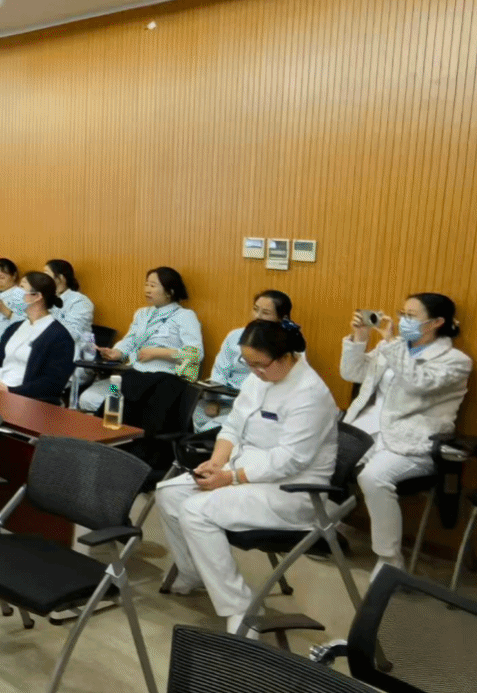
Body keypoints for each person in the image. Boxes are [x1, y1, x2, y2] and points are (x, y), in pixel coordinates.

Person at [155, 319, 337, 634]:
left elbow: (289, 460)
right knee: (168, 493)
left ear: (286, 357)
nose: (254, 371)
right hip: (243, 472)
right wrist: (216, 463)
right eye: (248, 363)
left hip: (290, 492)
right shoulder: (259, 378)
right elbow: (233, 425)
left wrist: (230, 477)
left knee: (195, 510)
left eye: (260, 364)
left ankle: (240, 608)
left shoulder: (310, 394)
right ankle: (195, 572)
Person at [342, 293, 472, 571]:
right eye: (402, 313)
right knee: (321, 456)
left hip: (414, 439)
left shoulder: (455, 361)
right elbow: (352, 373)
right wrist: (360, 338)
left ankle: (389, 561)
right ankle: (316, 529)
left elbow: (417, 384)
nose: (402, 321)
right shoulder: (393, 347)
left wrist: (392, 345)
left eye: (411, 316)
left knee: (374, 477)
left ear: (436, 322)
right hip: (369, 428)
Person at [80, 266, 203, 412]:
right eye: (146, 284)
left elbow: (196, 354)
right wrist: (117, 352)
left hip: (165, 377)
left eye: (153, 286)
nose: (147, 290)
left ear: (170, 291)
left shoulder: (185, 316)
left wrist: (158, 353)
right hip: (134, 372)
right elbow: (130, 340)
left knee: (131, 408)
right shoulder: (142, 313)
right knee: (104, 400)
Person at [198, 291, 297, 430]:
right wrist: (213, 400)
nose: (258, 316)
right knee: (198, 417)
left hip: (261, 406)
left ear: (282, 318)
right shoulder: (235, 335)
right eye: (256, 309)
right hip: (225, 398)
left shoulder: (290, 345)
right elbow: (220, 371)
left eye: (266, 313)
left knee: (220, 429)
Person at [0, 271, 77, 404]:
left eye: (22, 287)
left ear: (37, 296)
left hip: (26, 400)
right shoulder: (15, 327)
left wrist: (10, 390)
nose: (16, 292)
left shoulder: (60, 336)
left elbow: (52, 383)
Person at [43, 259, 97, 362]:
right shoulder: (46, 299)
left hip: (75, 358)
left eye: (46, 274)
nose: (43, 279)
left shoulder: (80, 301)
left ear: (61, 278)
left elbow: (72, 333)